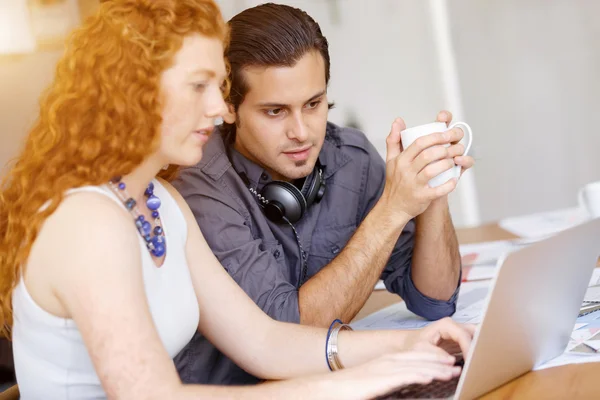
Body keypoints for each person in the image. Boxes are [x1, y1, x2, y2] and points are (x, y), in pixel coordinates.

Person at [0, 1, 476, 399]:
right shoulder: (85, 222)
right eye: (200, 85)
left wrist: (409, 343)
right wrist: (351, 383)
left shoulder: (161, 200)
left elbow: (265, 341)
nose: (217, 107)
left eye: (218, 86)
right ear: (136, 92)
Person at [172, 3, 475, 385]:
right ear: (229, 106)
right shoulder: (200, 188)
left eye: (313, 104)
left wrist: (432, 187)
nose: (301, 132)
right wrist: (391, 211)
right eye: (275, 111)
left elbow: (434, 300)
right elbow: (288, 335)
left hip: (332, 381)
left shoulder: (352, 158)